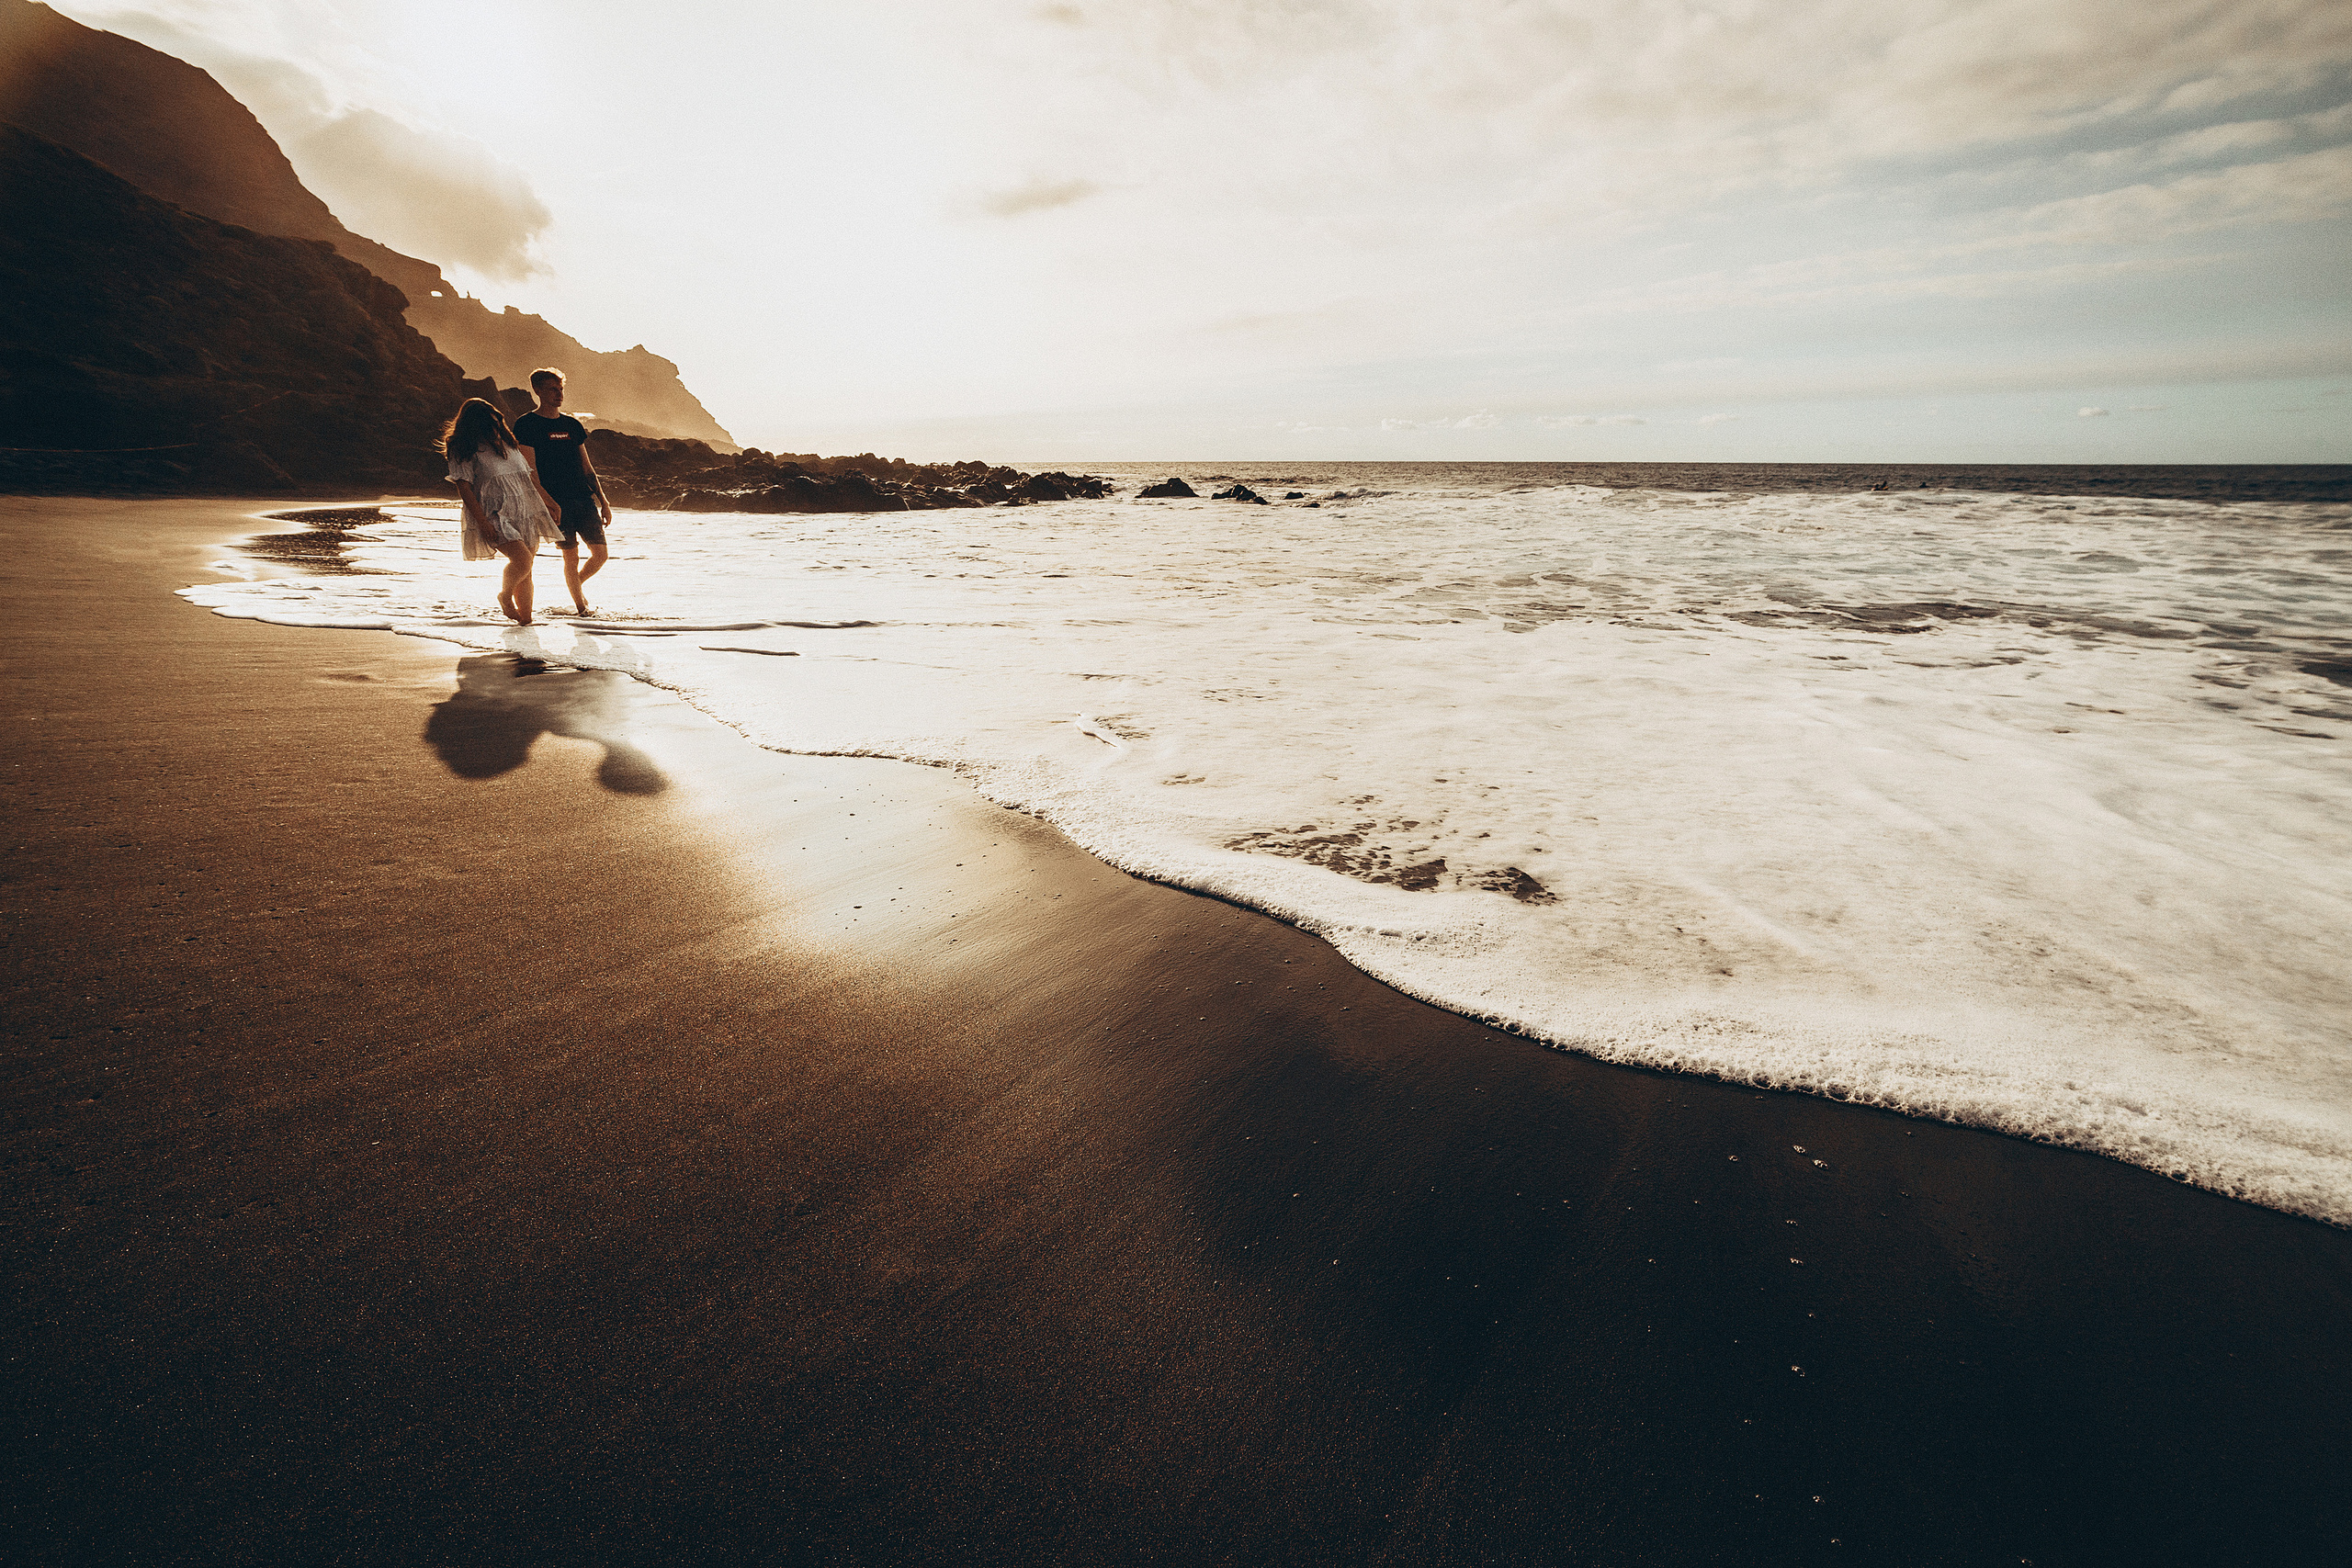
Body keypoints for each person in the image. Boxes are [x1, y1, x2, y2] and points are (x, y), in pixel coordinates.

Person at [442, 397, 562, 625]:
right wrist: (483, 522)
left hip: (524, 510)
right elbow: (464, 488)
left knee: (527, 570)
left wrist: (549, 502)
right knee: (522, 561)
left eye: (497, 420)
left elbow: (528, 478)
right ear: (475, 424)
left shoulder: (509, 444)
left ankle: (526, 623)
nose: (496, 426)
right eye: (489, 422)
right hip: (493, 513)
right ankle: (505, 597)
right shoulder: (463, 447)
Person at [511, 367, 614, 615]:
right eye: (552, 389)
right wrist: (547, 502)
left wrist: (604, 501)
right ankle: (581, 608)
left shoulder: (572, 425)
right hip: (553, 503)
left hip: (582, 499)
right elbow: (530, 470)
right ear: (537, 390)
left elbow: (587, 468)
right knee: (571, 556)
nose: (559, 394)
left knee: (600, 554)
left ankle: (575, 585)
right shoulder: (527, 424)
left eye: (561, 389)